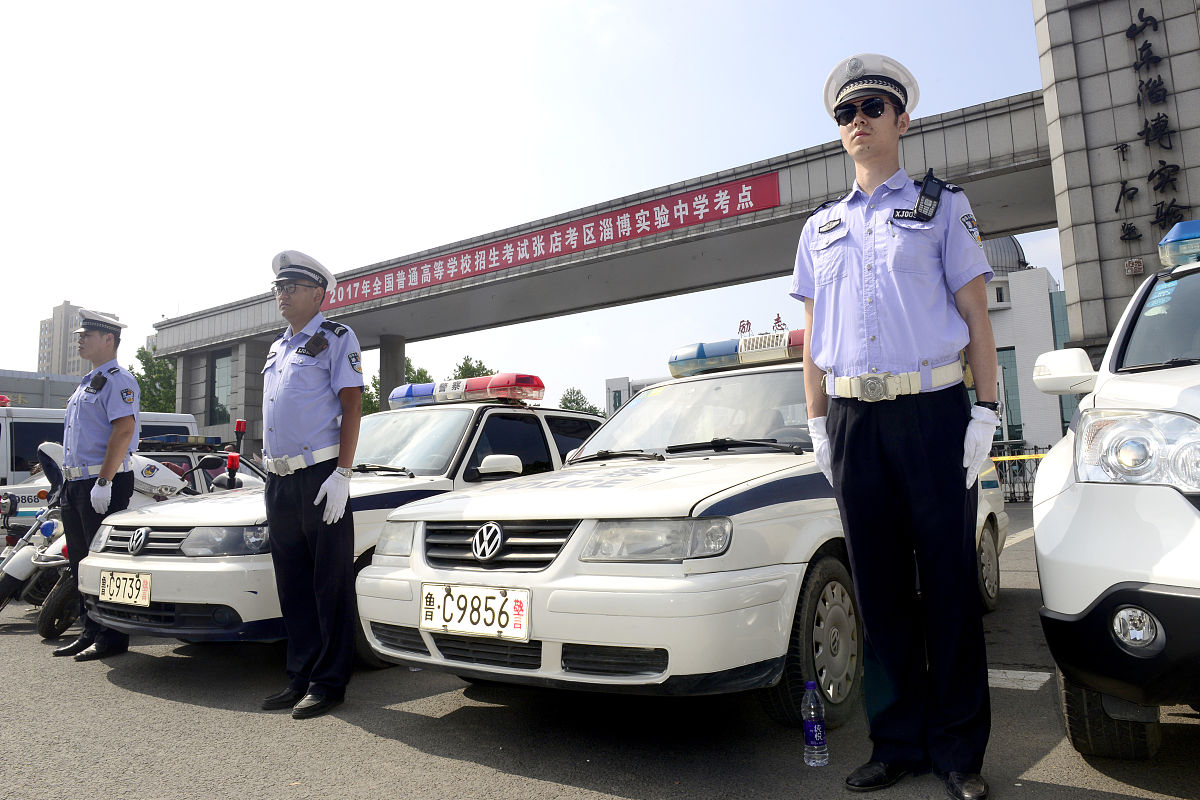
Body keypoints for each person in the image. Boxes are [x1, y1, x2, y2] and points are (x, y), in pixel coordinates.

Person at [790, 54, 1000, 800]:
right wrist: (819, 425)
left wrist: (985, 412)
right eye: (845, 113)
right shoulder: (819, 228)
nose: (858, 122)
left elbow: (976, 317)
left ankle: (958, 752)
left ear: (902, 119)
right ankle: (897, 742)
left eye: (871, 108)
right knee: (879, 593)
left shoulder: (943, 207)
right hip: (853, 420)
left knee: (947, 586)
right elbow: (811, 341)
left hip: (932, 412)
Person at [259, 250, 363, 720]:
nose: (282, 294)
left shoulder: (337, 338)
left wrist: (343, 473)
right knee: (293, 583)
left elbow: (352, 405)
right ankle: (300, 675)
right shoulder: (277, 347)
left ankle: (328, 683)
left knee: (329, 584)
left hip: (320, 476)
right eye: (279, 287)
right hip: (279, 479)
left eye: (292, 287)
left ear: (319, 294)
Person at [52, 310, 140, 662]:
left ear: (108, 339)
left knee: (105, 562)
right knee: (81, 562)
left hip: (102, 481)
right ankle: (89, 630)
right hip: (77, 482)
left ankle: (111, 636)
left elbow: (124, 430)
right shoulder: (87, 382)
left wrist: (104, 481)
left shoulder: (118, 380)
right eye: (79, 335)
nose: (80, 340)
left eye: (86, 335)